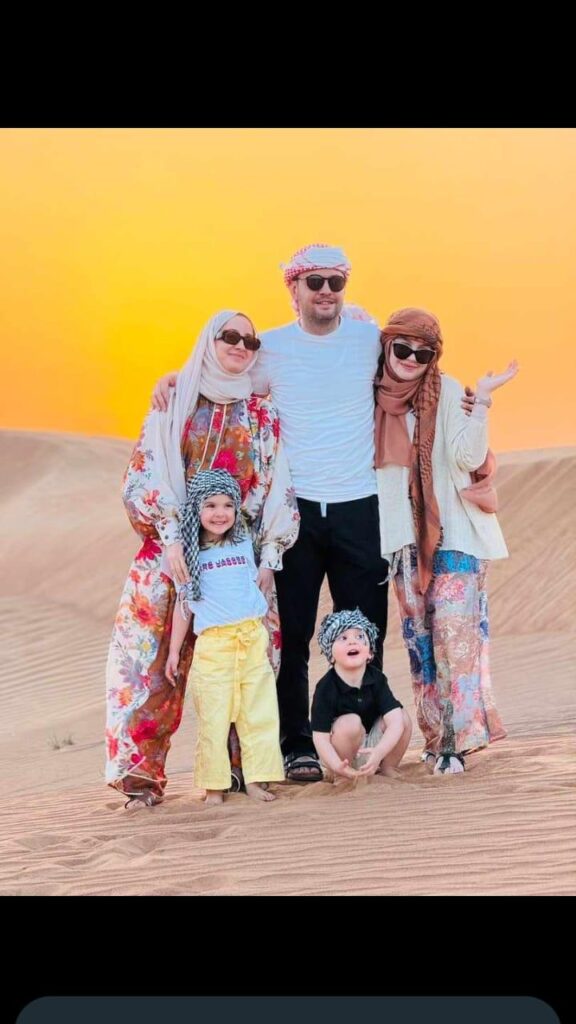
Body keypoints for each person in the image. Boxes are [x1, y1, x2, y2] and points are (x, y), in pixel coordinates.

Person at [106, 310, 299, 810]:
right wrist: (172, 537)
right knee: (150, 670)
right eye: (229, 336)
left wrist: (268, 555)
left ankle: (240, 772)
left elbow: (277, 484)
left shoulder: (261, 412)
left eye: (249, 340)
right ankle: (141, 781)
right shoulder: (175, 402)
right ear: (208, 340)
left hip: (239, 562)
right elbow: (144, 476)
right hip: (167, 558)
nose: (240, 345)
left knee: (248, 671)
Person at [374, 307, 518, 773]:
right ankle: (436, 741)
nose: (412, 359)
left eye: (424, 352)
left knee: (455, 640)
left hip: (455, 534)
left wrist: (484, 404)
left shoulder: (450, 390)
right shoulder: (369, 399)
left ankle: (458, 742)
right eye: (403, 348)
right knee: (420, 644)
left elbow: (467, 455)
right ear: (387, 345)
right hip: (403, 544)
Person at [165, 469, 285, 804]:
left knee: (258, 715)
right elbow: (183, 607)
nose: (220, 513)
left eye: (228, 505)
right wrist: (175, 652)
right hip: (213, 645)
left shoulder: (246, 541)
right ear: (196, 510)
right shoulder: (190, 555)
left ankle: (257, 781)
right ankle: (214, 787)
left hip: (250, 638)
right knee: (214, 719)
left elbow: (255, 588)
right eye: (211, 505)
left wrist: (264, 620)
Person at [311, 609, 412, 781]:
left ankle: (387, 768)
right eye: (343, 638)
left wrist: (379, 752)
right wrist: (336, 765)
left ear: (370, 652)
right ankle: (344, 774)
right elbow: (320, 738)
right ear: (331, 654)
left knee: (402, 717)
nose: (352, 642)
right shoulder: (325, 687)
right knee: (350, 722)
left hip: (373, 750)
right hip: (338, 753)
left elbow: (395, 721)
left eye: (359, 637)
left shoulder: (376, 678)